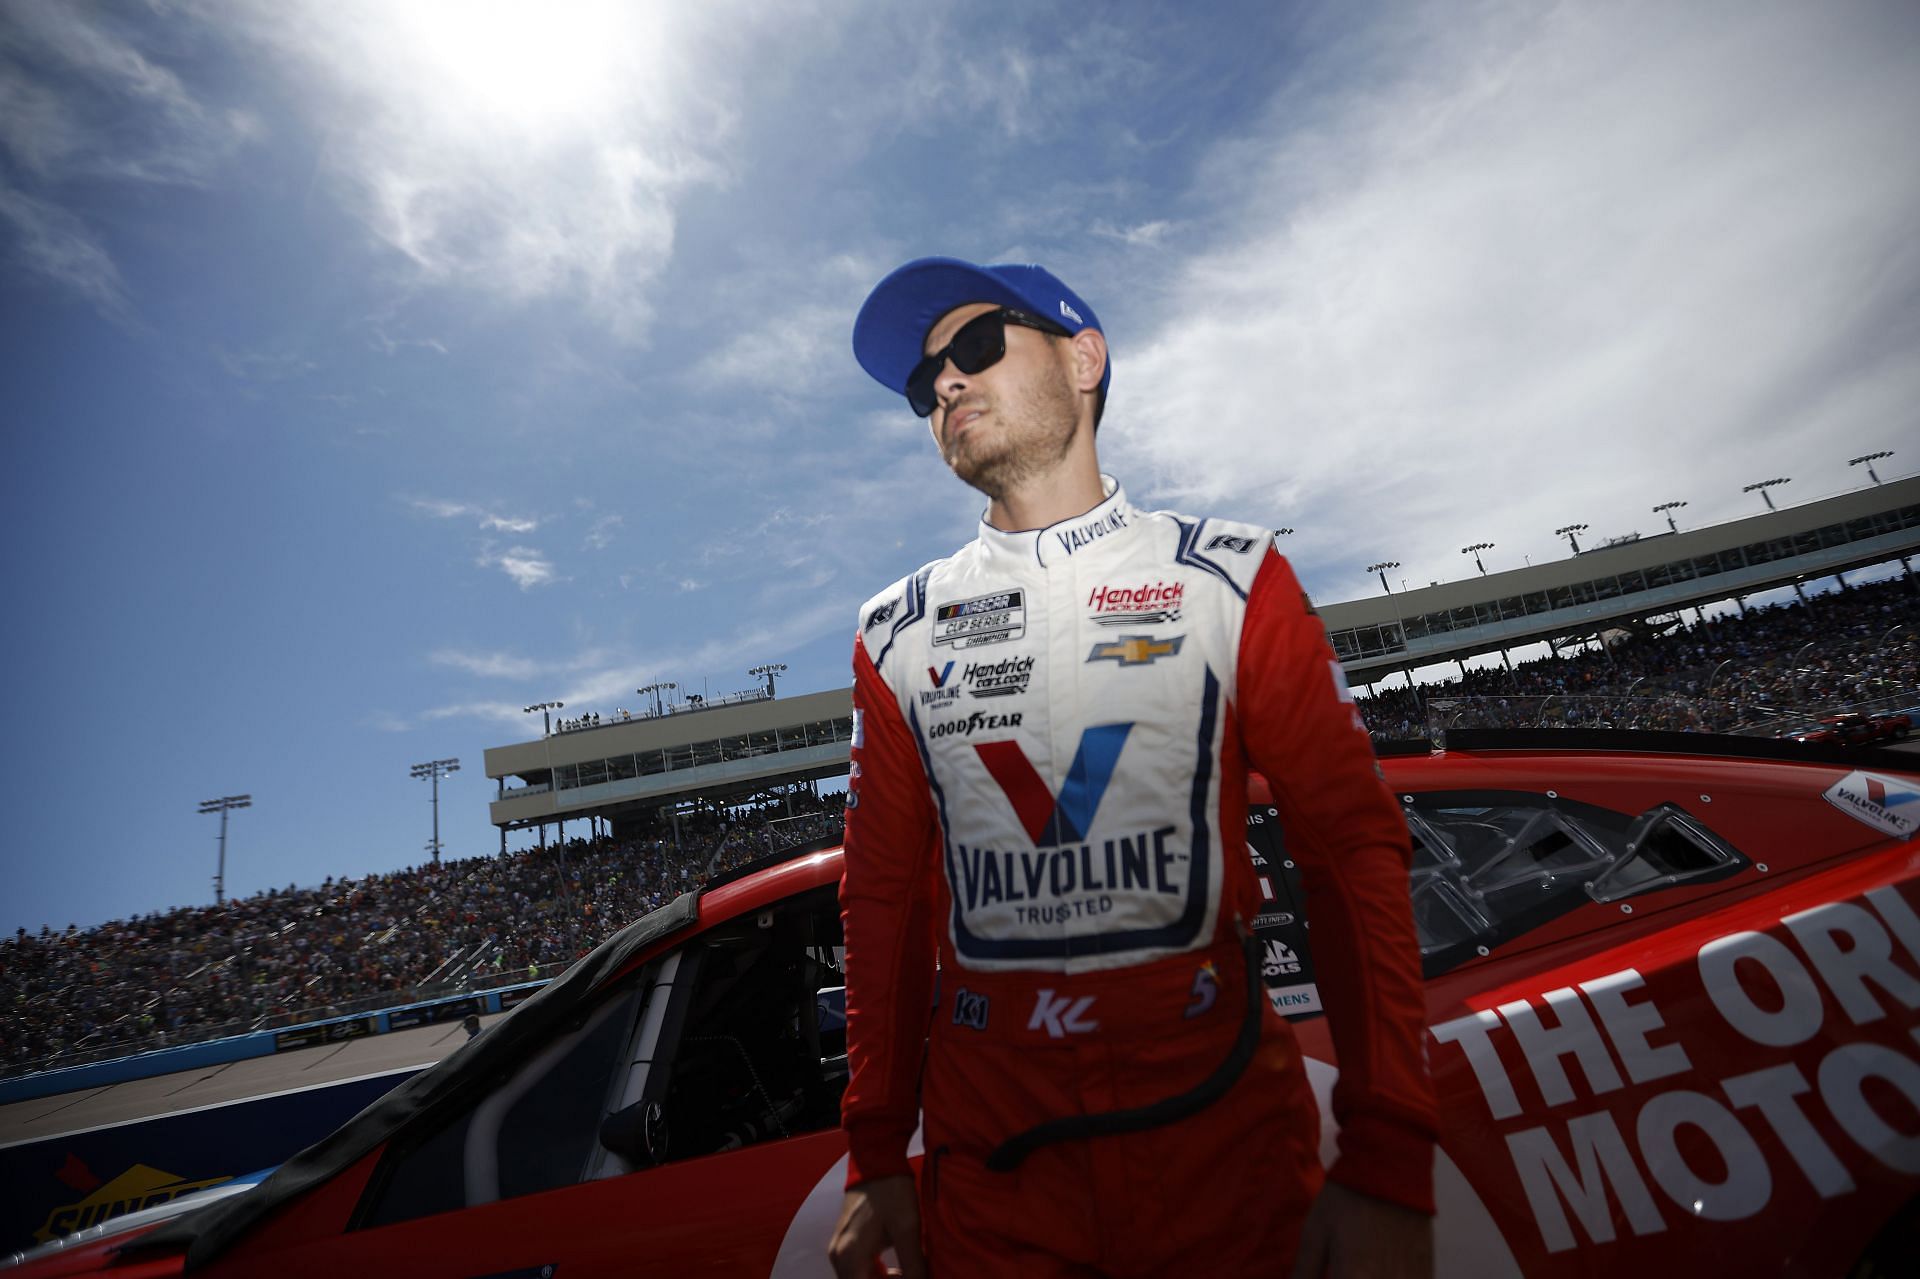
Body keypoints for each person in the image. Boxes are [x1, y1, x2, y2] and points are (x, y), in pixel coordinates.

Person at [828, 258, 1436, 1278]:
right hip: (995, 1194)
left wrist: (1390, 1161)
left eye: (976, 346)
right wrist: (874, 1153)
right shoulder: (893, 631)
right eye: (921, 380)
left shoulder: (1230, 575)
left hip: (1229, 1166)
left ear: (1083, 358)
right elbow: (882, 901)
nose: (943, 384)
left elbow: (1351, 853)